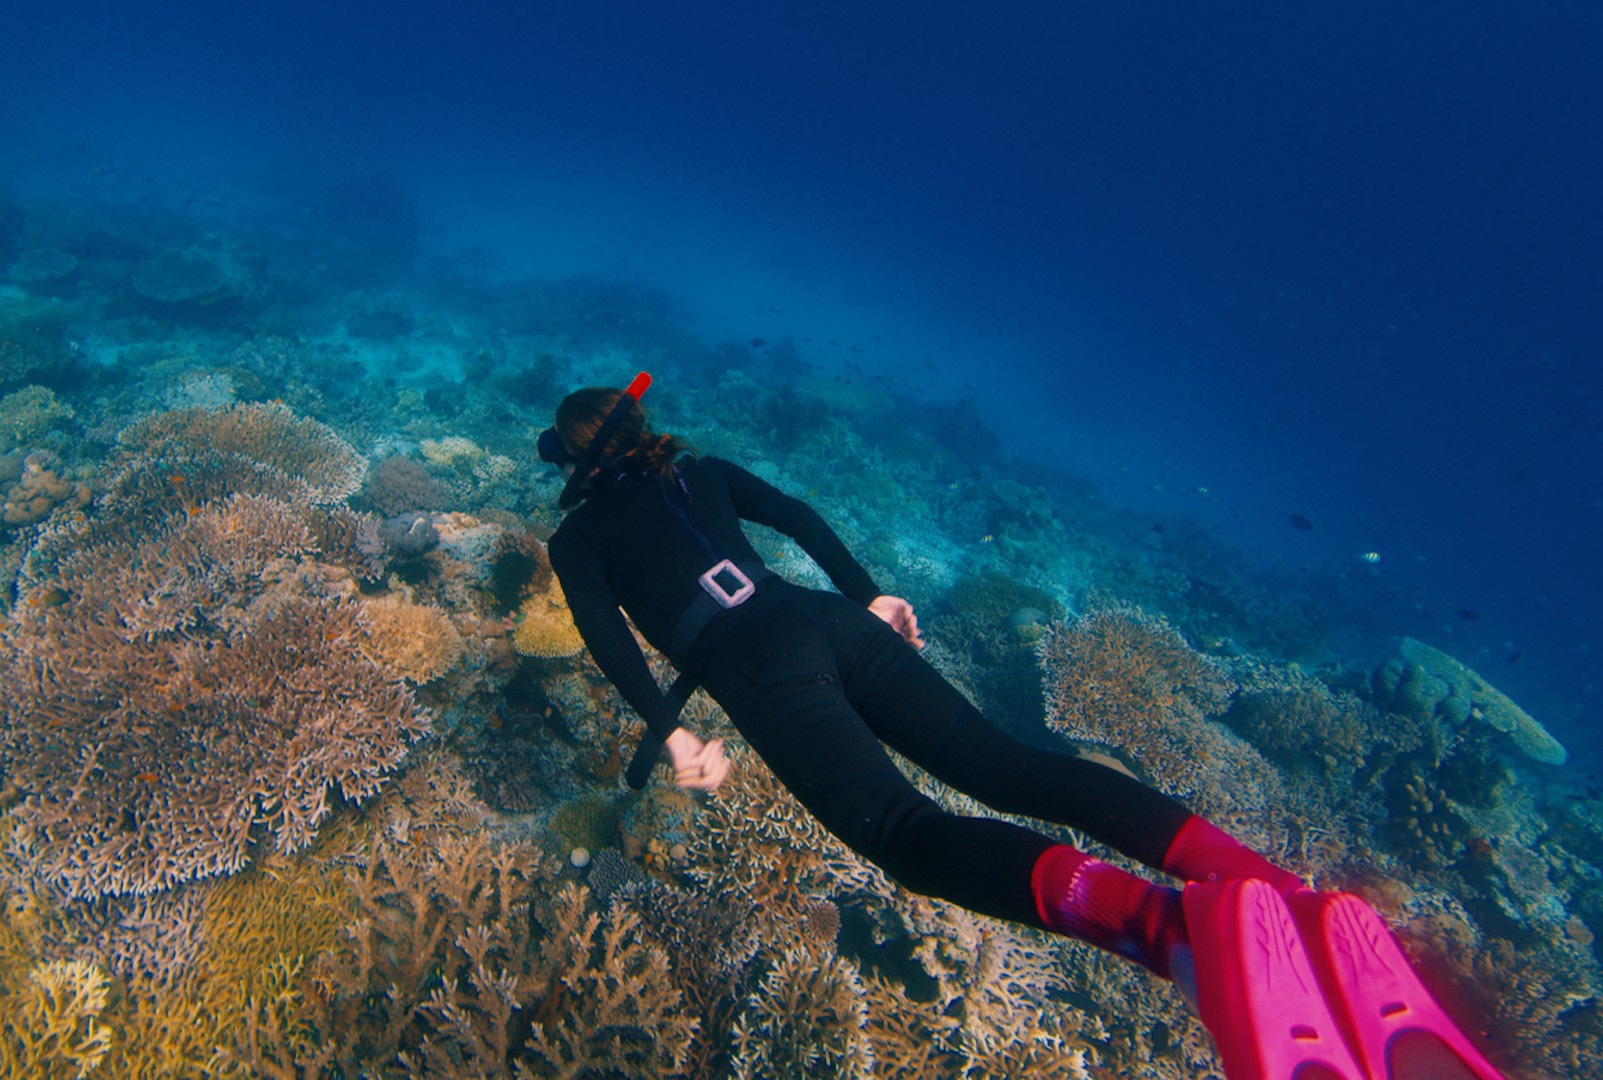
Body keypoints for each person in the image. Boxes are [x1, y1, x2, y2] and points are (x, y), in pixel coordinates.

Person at [539, 379, 1505, 1080]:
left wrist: (671, 732)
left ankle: (1167, 929)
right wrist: (871, 596)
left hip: (755, 670)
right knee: (1009, 765)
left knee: (904, 833)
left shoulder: (576, 537)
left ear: (575, 464)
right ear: (641, 427)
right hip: (825, 620)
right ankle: (1266, 884)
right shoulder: (701, 469)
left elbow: (604, 635)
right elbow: (800, 517)